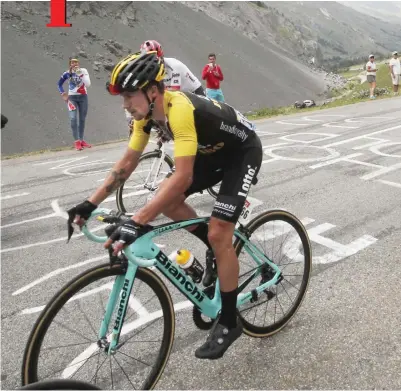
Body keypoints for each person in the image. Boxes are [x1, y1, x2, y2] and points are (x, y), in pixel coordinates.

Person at [67, 50, 263, 360]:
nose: (125, 104)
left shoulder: (180, 108)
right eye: (123, 97)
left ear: (153, 91)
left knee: (219, 232)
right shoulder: (145, 118)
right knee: (169, 203)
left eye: (130, 95)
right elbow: (127, 163)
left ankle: (229, 320)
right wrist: (89, 203)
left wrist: (138, 220)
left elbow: (183, 176)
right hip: (211, 153)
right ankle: (215, 250)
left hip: (242, 153)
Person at [125, 40, 206, 135]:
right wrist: (132, 119)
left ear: (161, 56)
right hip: (177, 94)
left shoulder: (174, 66)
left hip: (195, 93)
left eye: (155, 61)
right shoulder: (148, 71)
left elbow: (173, 94)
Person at [58, 57, 91, 150]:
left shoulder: (83, 71)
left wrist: (80, 74)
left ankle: (81, 140)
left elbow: (88, 84)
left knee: (82, 119)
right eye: (72, 62)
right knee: (73, 118)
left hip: (83, 97)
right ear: (70, 64)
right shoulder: (67, 73)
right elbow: (59, 84)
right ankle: (76, 141)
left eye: (76, 62)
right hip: (72, 98)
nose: (75, 64)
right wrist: (63, 93)